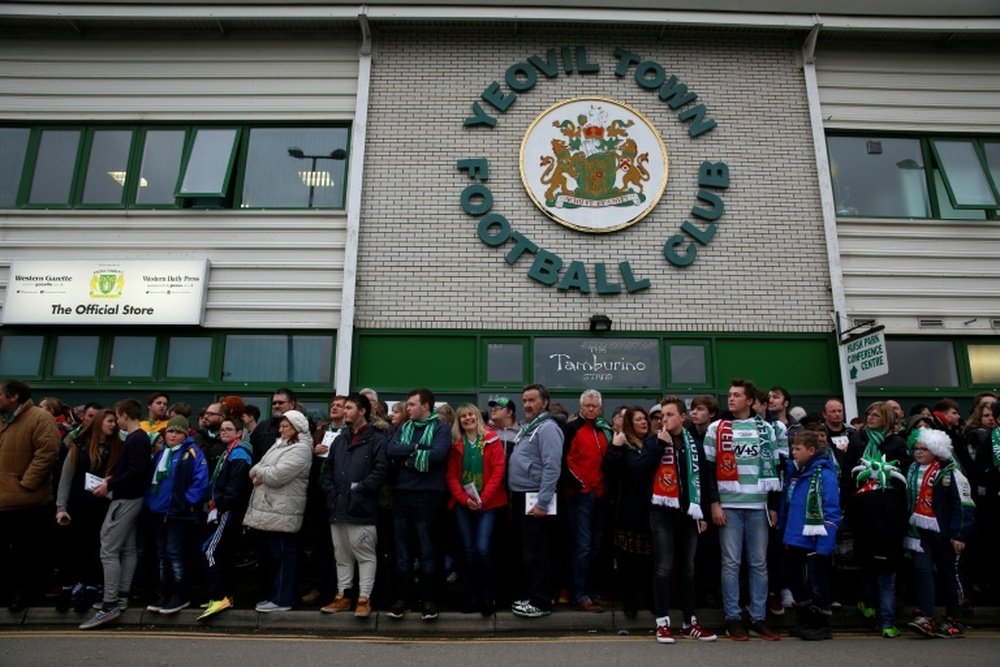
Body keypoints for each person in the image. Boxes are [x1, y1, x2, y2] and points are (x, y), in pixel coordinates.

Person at [704, 378, 785, 641]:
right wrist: (714, 503)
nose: (731, 399)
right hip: (729, 505)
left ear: (750, 400)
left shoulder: (768, 430)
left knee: (759, 564)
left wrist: (773, 506)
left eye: (737, 395)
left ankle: (758, 617)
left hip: (758, 505)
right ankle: (733, 618)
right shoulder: (717, 427)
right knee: (731, 564)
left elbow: (776, 468)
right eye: (729, 395)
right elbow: (707, 470)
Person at [639, 397, 717, 643]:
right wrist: (660, 447)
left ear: (682, 418)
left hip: (688, 512)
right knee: (664, 566)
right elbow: (640, 472)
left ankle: (689, 622)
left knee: (688, 568)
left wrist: (702, 512)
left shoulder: (693, 444)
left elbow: (704, 479)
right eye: (663, 415)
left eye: (670, 415)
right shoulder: (653, 441)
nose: (665, 419)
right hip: (662, 512)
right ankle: (662, 622)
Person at [80, 398, 153, 630]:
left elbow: (137, 471)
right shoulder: (138, 438)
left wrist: (109, 485)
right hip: (132, 498)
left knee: (109, 549)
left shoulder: (136, 439)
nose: (116, 422)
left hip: (125, 500)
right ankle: (121, 596)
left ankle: (109, 603)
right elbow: (135, 470)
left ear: (123, 414)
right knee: (128, 548)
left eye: (117, 417)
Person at [319, 392, 388, 619]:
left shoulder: (377, 439)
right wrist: (332, 493)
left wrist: (359, 490)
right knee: (342, 556)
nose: (344, 411)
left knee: (365, 555)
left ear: (362, 411)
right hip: (338, 507)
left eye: (349, 408)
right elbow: (327, 471)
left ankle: (364, 598)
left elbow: (380, 471)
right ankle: (343, 596)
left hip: (362, 508)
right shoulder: (340, 439)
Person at [385, 388, 452, 621]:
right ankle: (401, 599)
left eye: (412, 404)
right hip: (402, 495)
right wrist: (416, 448)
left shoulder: (441, 428)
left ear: (425, 406)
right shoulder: (404, 428)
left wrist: (406, 461)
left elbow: (438, 455)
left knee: (427, 552)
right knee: (402, 553)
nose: (408, 408)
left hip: (428, 497)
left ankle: (428, 600)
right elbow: (390, 450)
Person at [905, 429, 975, 638]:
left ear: (935, 450)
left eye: (924, 449)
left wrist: (959, 534)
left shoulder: (950, 472)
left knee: (949, 576)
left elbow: (963, 505)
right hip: (921, 532)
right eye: (916, 449)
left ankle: (954, 618)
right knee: (923, 571)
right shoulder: (912, 469)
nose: (918, 453)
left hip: (945, 533)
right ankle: (927, 616)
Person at [848, 401, 909, 639]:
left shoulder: (897, 443)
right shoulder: (857, 440)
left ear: (887, 418)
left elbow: (902, 479)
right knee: (866, 562)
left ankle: (887, 621)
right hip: (863, 508)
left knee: (886, 568)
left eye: (876, 415)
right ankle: (868, 604)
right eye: (869, 414)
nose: (871, 418)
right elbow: (848, 474)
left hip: (888, 512)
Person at [0, 379, 61, 612]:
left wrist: (27, 483)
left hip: (27, 502)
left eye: (0, 394)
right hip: (3, 500)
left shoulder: (40, 417)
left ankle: (23, 595)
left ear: (14, 396)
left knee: (27, 553)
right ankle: (5, 593)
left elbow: (47, 452)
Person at [243, 409, 313, 613]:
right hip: (273, 509)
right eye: (281, 426)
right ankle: (275, 595)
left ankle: (283, 599)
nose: (281, 430)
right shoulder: (280, 444)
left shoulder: (301, 449)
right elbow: (259, 466)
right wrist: (259, 471)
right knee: (274, 556)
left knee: (284, 556)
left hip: (284, 510)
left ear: (297, 428)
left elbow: (277, 475)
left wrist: (259, 473)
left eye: (286, 426)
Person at [507, 384, 563, 619]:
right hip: (522, 496)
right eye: (525, 400)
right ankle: (533, 596)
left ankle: (542, 601)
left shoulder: (548, 428)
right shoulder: (531, 427)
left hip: (536, 497)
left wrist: (542, 502)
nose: (527, 405)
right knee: (529, 551)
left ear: (545, 403)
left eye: (532, 400)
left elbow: (552, 466)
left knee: (538, 552)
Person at [779, 431, 841, 641]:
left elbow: (831, 508)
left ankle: (821, 622)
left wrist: (826, 540)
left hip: (816, 536)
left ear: (812, 450)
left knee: (817, 580)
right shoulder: (796, 472)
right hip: (795, 536)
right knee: (794, 577)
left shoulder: (824, 474)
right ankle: (805, 618)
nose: (793, 453)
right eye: (792, 448)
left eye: (798, 449)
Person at [54, 409, 118, 613]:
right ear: (99, 423)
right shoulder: (78, 445)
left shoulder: (116, 447)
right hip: (77, 504)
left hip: (102, 505)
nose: (113, 425)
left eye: (115, 421)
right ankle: (67, 589)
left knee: (94, 548)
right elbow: (66, 477)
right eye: (110, 421)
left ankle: (90, 588)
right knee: (72, 547)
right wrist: (61, 507)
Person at [144, 416, 209, 615]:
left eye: (178, 432)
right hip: (158, 512)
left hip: (178, 514)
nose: (172, 435)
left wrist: (186, 503)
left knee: (174, 554)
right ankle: (165, 593)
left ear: (185, 434)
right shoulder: (162, 453)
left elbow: (201, 482)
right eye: (170, 431)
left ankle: (180, 595)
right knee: (162, 555)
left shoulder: (192, 453)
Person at [446, 403, 506, 616]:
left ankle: (487, 596)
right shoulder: (455, 445)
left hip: (488, 504)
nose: (468, 419)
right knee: (469, 552)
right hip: (463, 504)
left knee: (482, 549)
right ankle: (472, 597)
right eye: (463, 417)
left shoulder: (492, 439)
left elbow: (499, 472)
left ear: (477, 417)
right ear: (459, 421)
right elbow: (451, 477)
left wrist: (483, 498)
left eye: (471, 414)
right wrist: (464, 499)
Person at [197, 416, 253, 621]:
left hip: (228, 511)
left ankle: (219, 596)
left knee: (209, 550)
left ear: (239, 433)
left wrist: (219, 502)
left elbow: (235, 488)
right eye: (222, 429)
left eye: (229, 429)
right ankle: (222, 596)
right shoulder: (228, 453)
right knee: (222, 553)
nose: (223, 432)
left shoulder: (239, 454)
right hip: (222, 508)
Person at [562, 389, 612, 612]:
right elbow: (566, 461)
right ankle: (579, 594)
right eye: (587, 405)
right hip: (581, 496)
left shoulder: (603, 430)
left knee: (596, 547)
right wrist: (582, 486)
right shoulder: (571, 429)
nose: (590, 409)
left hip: (601, 495)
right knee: (582, 547)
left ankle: (591, 591)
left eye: (594, 406)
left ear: (600, 409)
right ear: (580, 407)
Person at [604, 406, 653, 619]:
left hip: (652, 509)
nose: (644, 422)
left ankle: (650, 598)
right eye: (638, 419)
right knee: (628, 560)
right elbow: (608, 469)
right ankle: (630, 601)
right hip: (628, 510)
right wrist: (615, 447)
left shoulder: (653, 444)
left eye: (645, 419)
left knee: (650, 559)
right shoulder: (622, 445)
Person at [301, 396, 346, 606]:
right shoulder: (321, 430)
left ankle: (342, 590)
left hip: (341, 493)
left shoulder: (351, 431)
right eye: (333, 405)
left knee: (342, 546)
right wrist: (312, 450)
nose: (334, 408)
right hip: (319, 494)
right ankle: (319, 587)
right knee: (320, 544)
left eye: (340, 405)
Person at [250, 388, 297, 463]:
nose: (276, 406)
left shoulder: (300, 428)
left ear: (292, 405)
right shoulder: (262, 427)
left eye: (280, 403)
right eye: (274, 403)